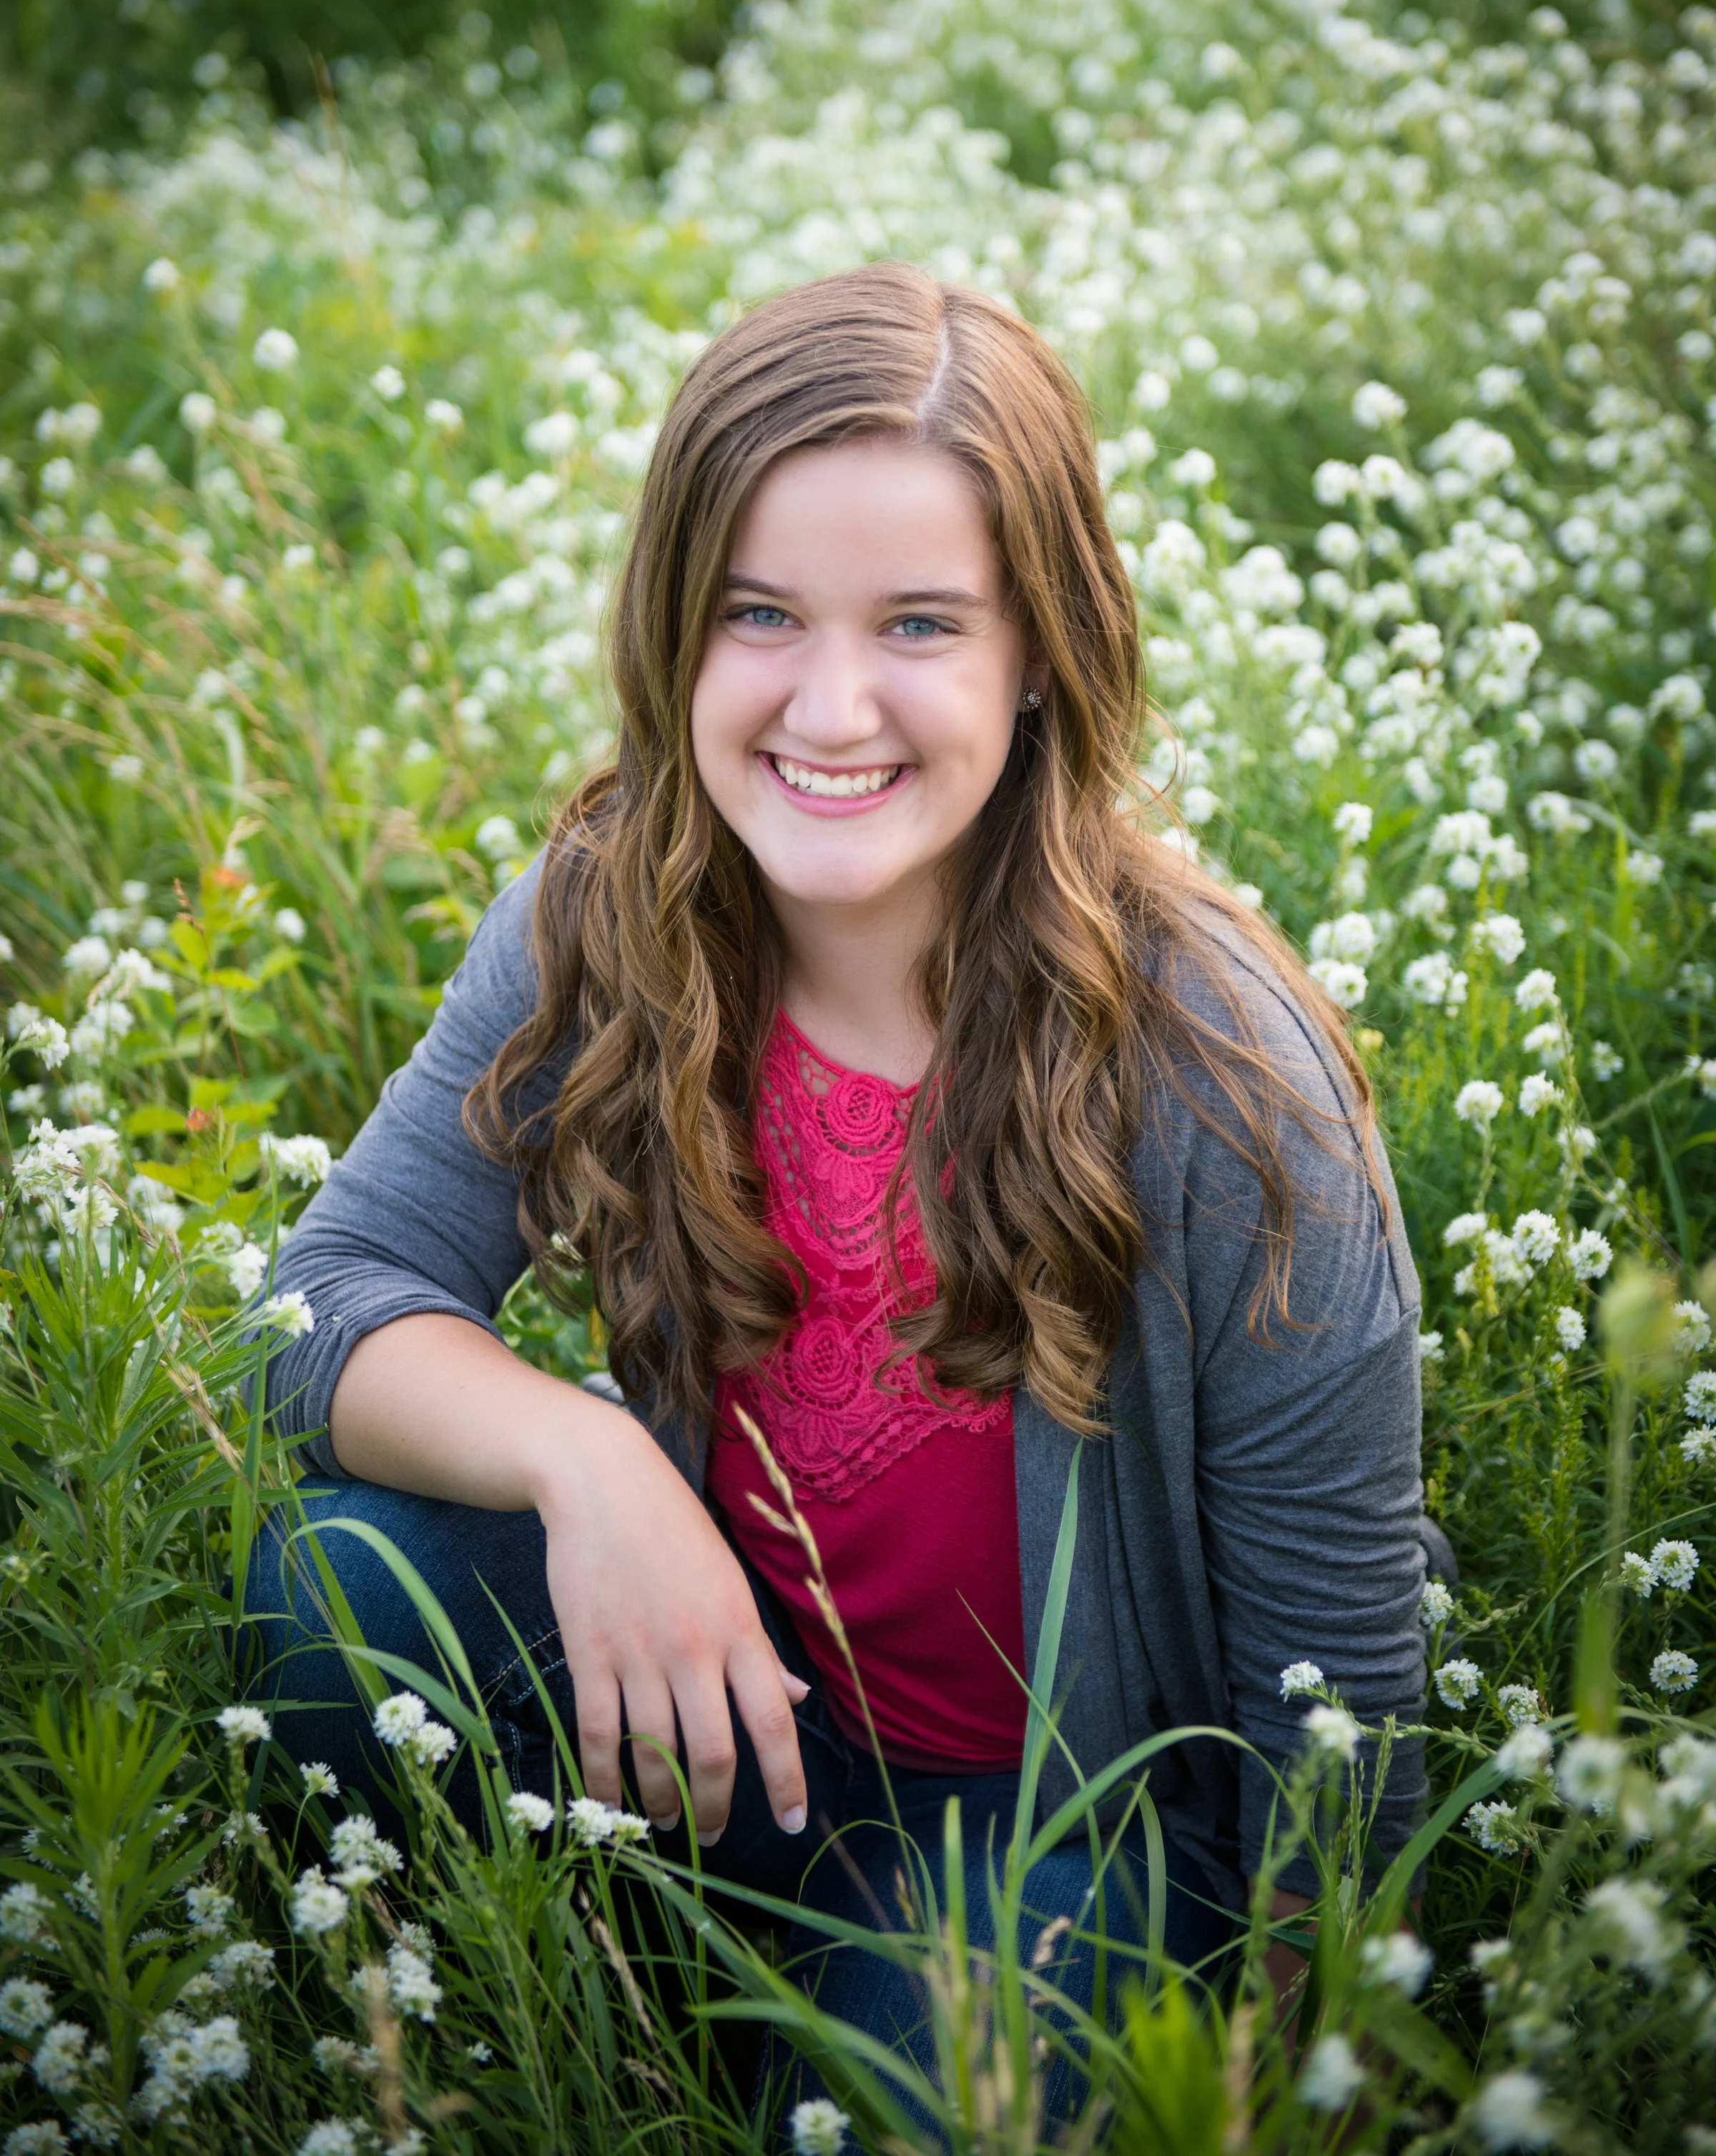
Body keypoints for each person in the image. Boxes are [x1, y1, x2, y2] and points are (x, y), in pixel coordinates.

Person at [249, 260, 1428, 2112]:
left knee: (938, 2092)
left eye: (923, 627)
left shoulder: (1220, 1075)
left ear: (1044, 650)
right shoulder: (616, 907)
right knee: (342, 1590)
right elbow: (326, 1305)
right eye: (763, 616)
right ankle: (626, 1976)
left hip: (1058, 1843)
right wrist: (593, 1464)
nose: (832, 704)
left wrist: (1275, 2068)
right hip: (716, 1710)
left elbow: (1337, 1691)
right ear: (675, 630)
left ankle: (838, 2024)